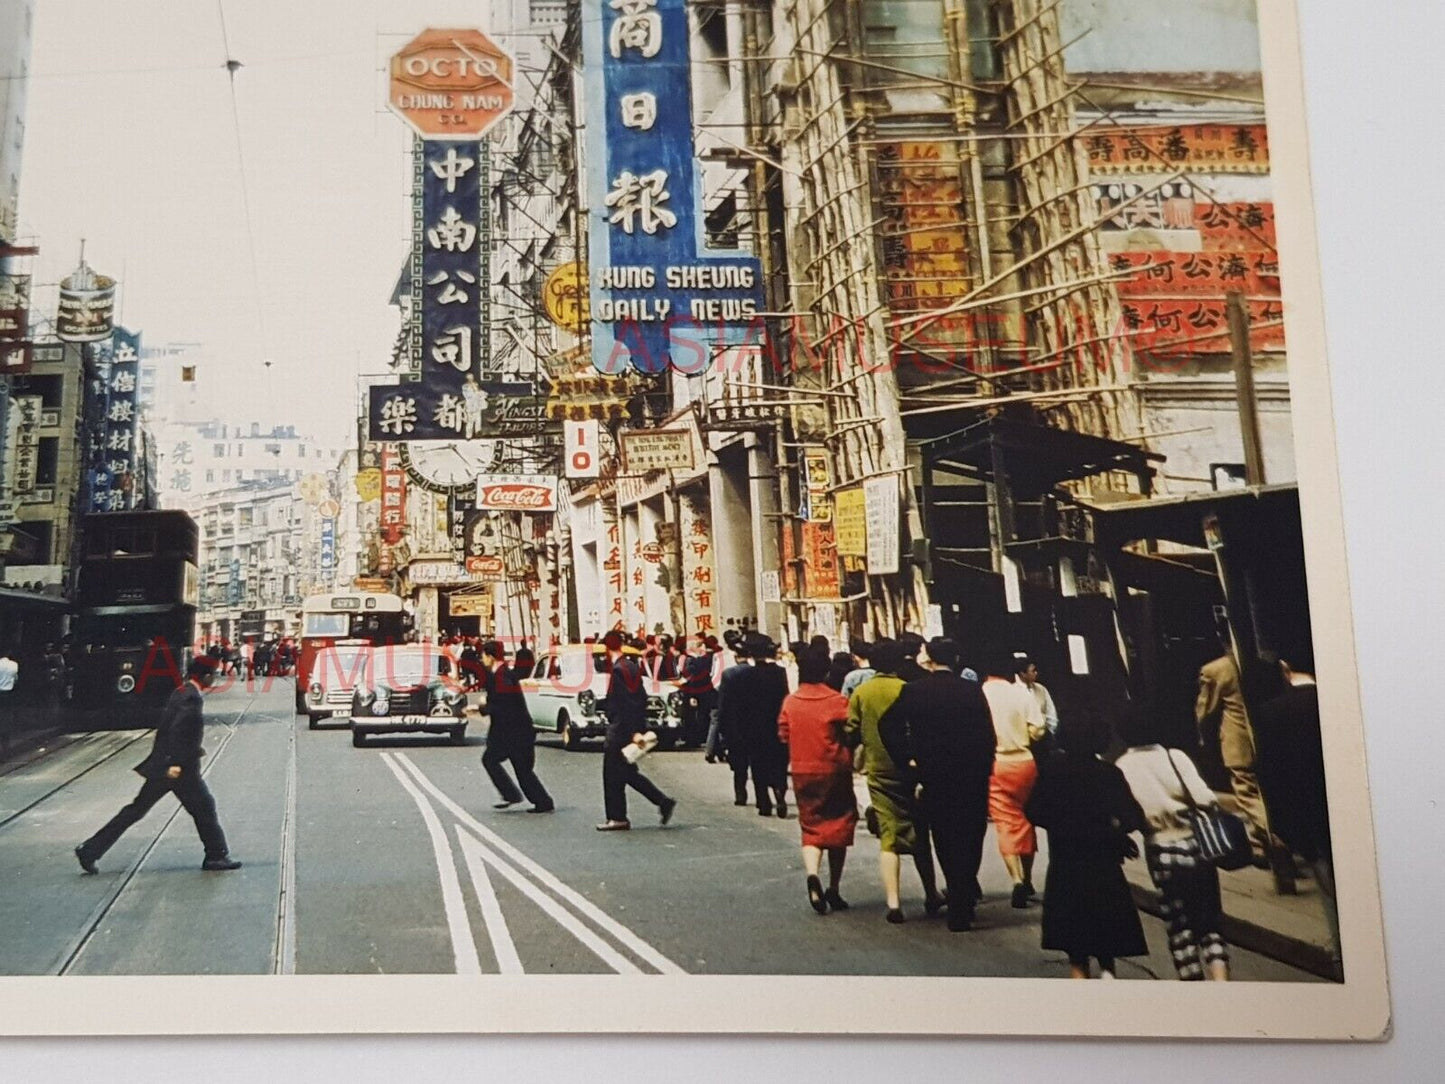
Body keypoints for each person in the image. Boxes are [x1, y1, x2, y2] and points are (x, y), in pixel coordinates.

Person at [74, 656, 241, 874]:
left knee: (137, 810)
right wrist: (176, 763)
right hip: (179, 770)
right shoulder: (191, 698)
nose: (215, 679)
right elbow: (179, 731)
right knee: (204, 808)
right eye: (214, 675)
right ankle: (216, 856)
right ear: (206, 676)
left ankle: (90, 850)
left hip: (166, 766)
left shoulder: (181, 691)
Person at [879, 637, 994, 931]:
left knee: (944, 836)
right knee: (971, 836)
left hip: (934, 774)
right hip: (971, 775)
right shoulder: (972, 691)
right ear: (955, 659)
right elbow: (987, 734)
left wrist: (907, 760)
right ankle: (964, 891)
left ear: (929, 658)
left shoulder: (914, 691)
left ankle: (957, 894)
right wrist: (985, 767)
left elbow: (887, 725)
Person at [1025, 713, 1149, 978]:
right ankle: (1108, 976)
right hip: (1104, 864)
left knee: (1076, 950)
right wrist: (1112, 828)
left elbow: (1033, 811)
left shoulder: (1052, 771)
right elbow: (1133, 817)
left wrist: (1059, 824)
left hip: (1065, 864)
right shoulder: (1109, 774)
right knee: (1107, 942)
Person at [1116, 703, 1231, 981]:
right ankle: (1222, 984)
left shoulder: (1122, 766)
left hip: (1160, 851)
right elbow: (1206, 799)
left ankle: (1192, 984)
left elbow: (1127, 815)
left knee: (1179, 925)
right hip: (1196, 846)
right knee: (1209, 921)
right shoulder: (1175, 756)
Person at [1253, 648, 1339, 975]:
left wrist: (1278, 827)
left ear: (1285, 668)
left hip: (1307, 815)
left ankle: (1342, 956)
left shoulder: (1271, 712)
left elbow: (1270, 774)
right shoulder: (1338, 703)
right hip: (1342, 806)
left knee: (1330, 886)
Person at [845, 638, 942, 923]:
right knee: (919, 831)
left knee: (889, 834)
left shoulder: (862, 692)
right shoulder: (906, 689)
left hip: (879, 770)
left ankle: (894, 902)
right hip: (911, 770)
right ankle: (930, 893)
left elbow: (851, 729)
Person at [779, 646, 858, 914]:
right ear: (825, 671)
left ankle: (813, 875)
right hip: (834, 769)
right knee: (839, 824)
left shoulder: (791, 701)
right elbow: (850, 731)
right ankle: (834, 887)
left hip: (802, 769)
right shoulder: (836, 700)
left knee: (811, 826)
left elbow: (783, 733)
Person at [1195, 647, 1274, 869]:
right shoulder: (1261, 664)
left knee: (1246, 791)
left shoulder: (1215, 669)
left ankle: (1273, 841)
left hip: (1237, 740)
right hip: (1266, 735)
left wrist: (1202, 737)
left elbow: (1204, 710)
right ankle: (1270, 839)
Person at [981, 650, 1047, 908]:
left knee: (1005, 822)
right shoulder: (1021, 693)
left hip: (998, 763)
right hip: (1025, 761)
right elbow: (1038, 729)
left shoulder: (982, 694)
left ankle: (1017, 879)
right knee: (1026, 818)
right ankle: (1029, 878)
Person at [596, 631, 676, 831]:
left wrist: (631, 731)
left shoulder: (617, 671)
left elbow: (623, 704)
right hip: (628, 727)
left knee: (611, 775)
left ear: (606, 648)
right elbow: (640, 698)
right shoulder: (631, 666)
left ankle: (617, 817)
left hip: (620, 730)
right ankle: (662, 801)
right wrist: (639, 727)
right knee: (627, 773)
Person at [479, 642, 553, 814]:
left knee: (501, 763)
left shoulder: (501, 676)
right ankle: (538, 800)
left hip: (514, 732)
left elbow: (503, 705)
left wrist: (483, 708)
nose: (482, 660)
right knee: (521, 769)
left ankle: (522, 797)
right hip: (514, 731)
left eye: (483, 656)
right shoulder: (503, 674)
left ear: (490, 656)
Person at [730, 633, 791, 817]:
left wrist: (738, 730)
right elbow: (784, 698)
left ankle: (763, 801)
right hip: (775, 725)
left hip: (753, 728)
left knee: (758, 765)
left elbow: (740, 706)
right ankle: (780, 790)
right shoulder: (779, 673)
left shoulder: (745, 675)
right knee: (779, 762)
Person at [1015, 656, 1059, 760]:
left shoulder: (1041, 689)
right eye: (1032, 671)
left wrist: (1051, 732)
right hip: (1024, 739)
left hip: (1043, 737)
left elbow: (1050, 711)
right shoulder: (1013, 691)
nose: (1036, 673)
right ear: (1023, 673)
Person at [0, 645, 17, 753]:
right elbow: (15, 679)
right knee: (7, 717)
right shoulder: (14, 665)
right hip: (9, 693)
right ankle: (6, 744)